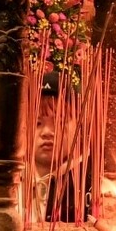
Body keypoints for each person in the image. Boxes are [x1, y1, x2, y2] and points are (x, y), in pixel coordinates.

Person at [32, 71, 90, 223]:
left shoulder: (92, 186)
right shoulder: (7, 181)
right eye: (38, 123)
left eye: (59, 122)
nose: (47, 132)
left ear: (79, 125)